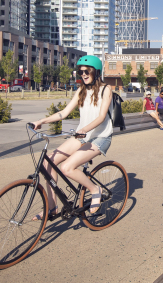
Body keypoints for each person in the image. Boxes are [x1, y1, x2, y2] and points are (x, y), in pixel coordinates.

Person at [30, 55, 112, 219]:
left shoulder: (106, 89)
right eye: (80, 71)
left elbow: (102, 117)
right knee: (48, 162)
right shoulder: (81, 90)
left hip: (100, 137)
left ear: (96, 72)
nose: (83, 74)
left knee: (67, 168)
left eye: (86, 71)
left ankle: (95, 189)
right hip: (82, 136)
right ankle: (52, 207)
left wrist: (84, 130)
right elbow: (64, 113)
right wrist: (41, 121)